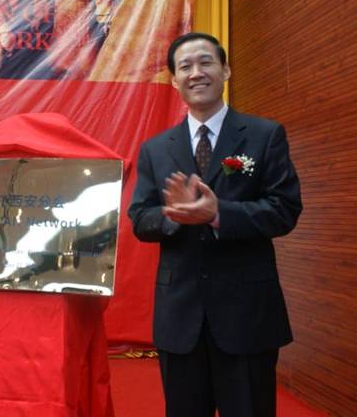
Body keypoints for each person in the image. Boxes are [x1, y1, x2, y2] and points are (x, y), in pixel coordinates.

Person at [128, 32, 302, 417]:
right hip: (180, 317)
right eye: (185, 66)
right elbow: (140, 218)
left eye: (206, 62)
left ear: (225, 70)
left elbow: (285, 208)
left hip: (248, 314)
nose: (196, 72)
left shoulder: (264, 135)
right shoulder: (155, 149)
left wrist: (218, 214)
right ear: (174, 80)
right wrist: (172, 215)